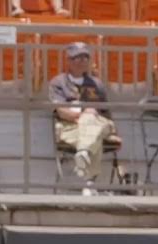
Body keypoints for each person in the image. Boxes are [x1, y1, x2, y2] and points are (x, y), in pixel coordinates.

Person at [48, 42, 118, 196]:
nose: (82, 61)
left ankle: (83, 152)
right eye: (78, 58)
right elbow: (61, 111)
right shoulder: (58, 83)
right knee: (94, 136)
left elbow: (106, 112)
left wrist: (95, 118)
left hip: (99, 122)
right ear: (69, 61)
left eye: (85, 57)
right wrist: (84, 114)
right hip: (70, 127)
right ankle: (89, 183)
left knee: (93, 125)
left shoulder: (96, 83)